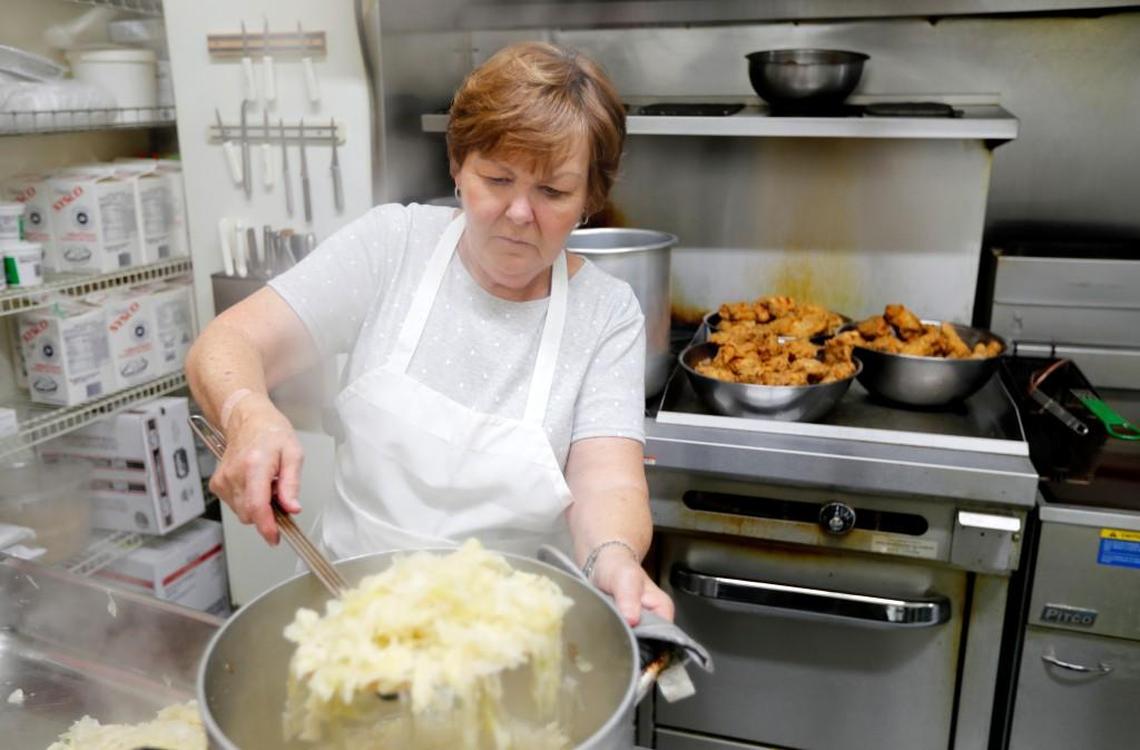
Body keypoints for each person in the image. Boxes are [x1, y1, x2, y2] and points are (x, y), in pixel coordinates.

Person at [186, 41, 672, 624]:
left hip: (508, 637)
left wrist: (614, 557)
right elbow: (228, 343)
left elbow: (607, 480)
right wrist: (247, 413)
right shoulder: (392, 246)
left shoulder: (606, 312)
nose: (520, 213)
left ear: (589, 199)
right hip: (347, 615)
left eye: (553, 191)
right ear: (458, 167)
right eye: (497, 178)